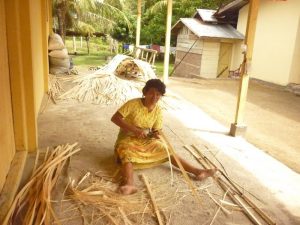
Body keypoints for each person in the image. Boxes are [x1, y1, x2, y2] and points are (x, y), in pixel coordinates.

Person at [111, 79, 216, 195]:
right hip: (127, 139)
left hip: (145, 140)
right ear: (145, 92)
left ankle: (197, 171)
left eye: (158, 94)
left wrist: (157, 134)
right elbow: (115, 118)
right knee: (127, 152)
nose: (154, 97)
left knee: (165, 148)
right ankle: (129, 184)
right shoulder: (133, 104)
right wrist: (134, 130)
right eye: (151, 93)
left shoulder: (158, 111)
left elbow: (157, 129)